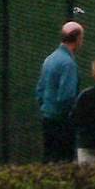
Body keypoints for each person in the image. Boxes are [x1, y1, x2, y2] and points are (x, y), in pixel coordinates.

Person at [35, 21, 83, 162]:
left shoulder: (50, 59)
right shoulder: (68, 64)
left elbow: (40, 90)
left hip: (47, 118)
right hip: (61, 122)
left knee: (48, 159)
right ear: (78, 39)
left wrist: (46, 108)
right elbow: (66, 97)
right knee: (63, 162)